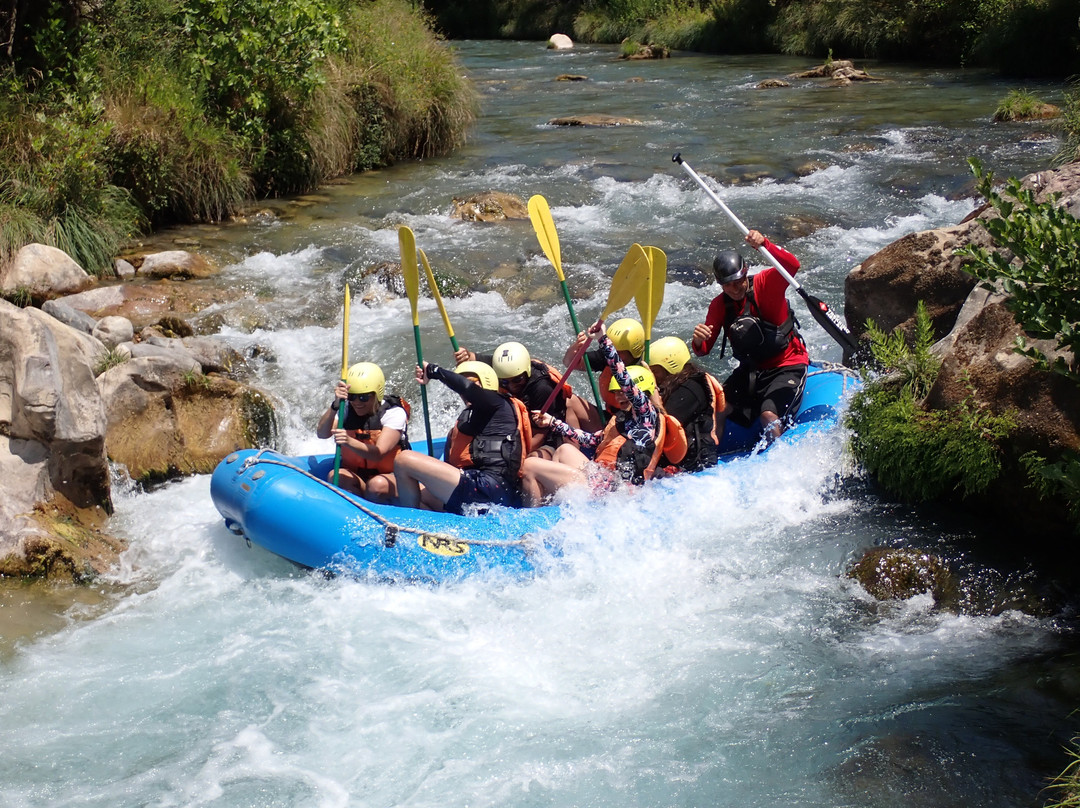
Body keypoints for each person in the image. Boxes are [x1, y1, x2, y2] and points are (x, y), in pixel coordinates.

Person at [521, 320, 676, 505]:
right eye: (616, 392)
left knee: (529, 465)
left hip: (614, 492)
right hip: (604, 481)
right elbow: (591, 440)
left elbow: (622, 375)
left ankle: (534, 513)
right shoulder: (625, 420)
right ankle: (552, 504)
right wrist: (553, 422)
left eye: (622, 392)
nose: (618, 397)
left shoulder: (647, 416)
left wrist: (603, 339)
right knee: (564, 450)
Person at [691, 229, 809, 441]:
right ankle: (710, 455)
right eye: (728, 285)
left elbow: (792, 266)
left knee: (768, 416)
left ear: (745, 273)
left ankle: (778, 455)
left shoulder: (767, 283)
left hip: (787, 364)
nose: (734, 289)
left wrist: (765, 244)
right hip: (753, 370)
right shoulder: (719, 305)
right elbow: (703, 349)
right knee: (719, 407)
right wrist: (698, 340)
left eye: (738, 282)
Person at [393, 360, 531, 513]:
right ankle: (434, 524)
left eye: (471, 381)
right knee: (421, 494)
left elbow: (467, 388)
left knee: (403, 460)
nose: (462, 391)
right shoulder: (469, 417)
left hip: (489, 488)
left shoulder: (497, 403)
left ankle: (409, 520)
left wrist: (433, 370)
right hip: (477, 487)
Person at [453, 340, 601, 457]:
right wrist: (466, 355)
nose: (511, 386)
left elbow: (540, 435)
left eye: (517, 380)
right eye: (504, 382)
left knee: (528, 464)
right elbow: (475, 359)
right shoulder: (504, 368)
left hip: (549, 434)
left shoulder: (542, 388)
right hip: (526, 426)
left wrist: (512, 454)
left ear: (527, 371)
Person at [316, 362, 409, 503]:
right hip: (359, 476)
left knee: (376, 485)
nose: (357, 402)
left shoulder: (393, 413)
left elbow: (378, 454)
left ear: (377, 394)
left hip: (391, 477)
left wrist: (348, 441)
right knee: (336, 476)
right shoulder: (346, 408)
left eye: (364, 397)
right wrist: (335, 406)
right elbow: (322, 434)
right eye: (352, 396)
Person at [648, 336, 724, 472]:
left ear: (670, 367)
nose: (652, 376)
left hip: (696, 466)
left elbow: (663, 425)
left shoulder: (691, 389)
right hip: (678, 465)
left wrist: (654, 397)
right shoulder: (671, 385)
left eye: (655, 371)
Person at [562, 317, 645, 420]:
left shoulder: (645, 372)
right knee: (570, 401)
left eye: (619, 352)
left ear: (633, 351)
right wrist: (576, 347)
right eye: (612, 349)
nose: (613, 354)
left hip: (635, 422)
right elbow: (569, 362)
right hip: (609, 417)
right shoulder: (607, 357)